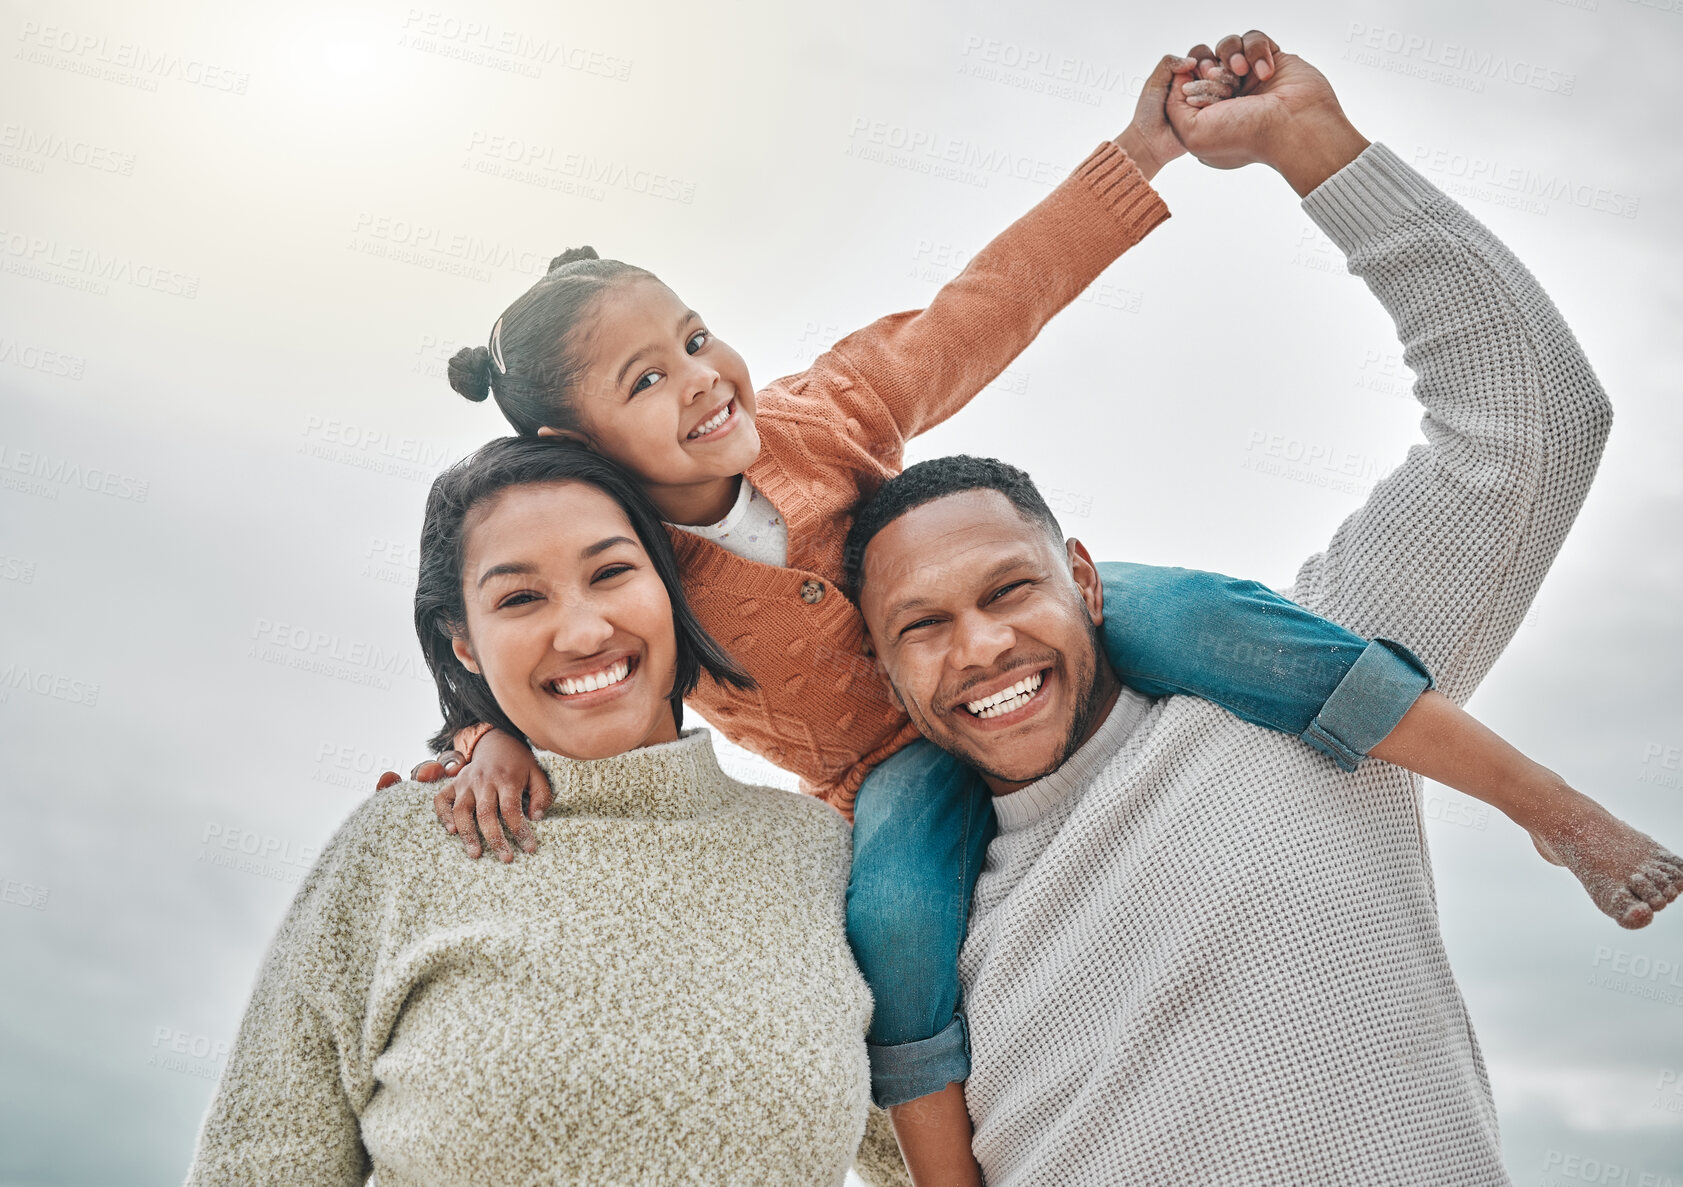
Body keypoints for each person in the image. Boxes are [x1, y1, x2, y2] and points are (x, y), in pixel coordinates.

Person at [366, 39, 1675, 1185]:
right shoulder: (658, 610)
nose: (704, 382)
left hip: (1166, 646)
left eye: (697, 338)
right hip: (886, 788)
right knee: (885, 940)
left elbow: (983, 304)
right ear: (570, 440)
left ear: (1073, 571)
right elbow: (566, 670)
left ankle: (1554, 808)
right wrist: (484, 740)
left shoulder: (1247, 690)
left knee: (1245, 632)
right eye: (649, 377)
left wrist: (1190, 149)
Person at [841, 32, 1680, 1184]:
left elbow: (1533, 420)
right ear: (883, 669)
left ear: (1085, 577)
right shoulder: (903, 924)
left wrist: (1316, 153)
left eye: (1009, 588)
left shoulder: (1306, 694)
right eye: (920, 627)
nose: (980, 647)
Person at [187, 438, 884, 1185]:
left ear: (671, 591)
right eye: (519, 597)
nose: (584, 632)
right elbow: (260, 1163)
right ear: (464, 646)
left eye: (612, 572)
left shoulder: (821, 855)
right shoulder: (401, 846)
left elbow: (929, 1156)